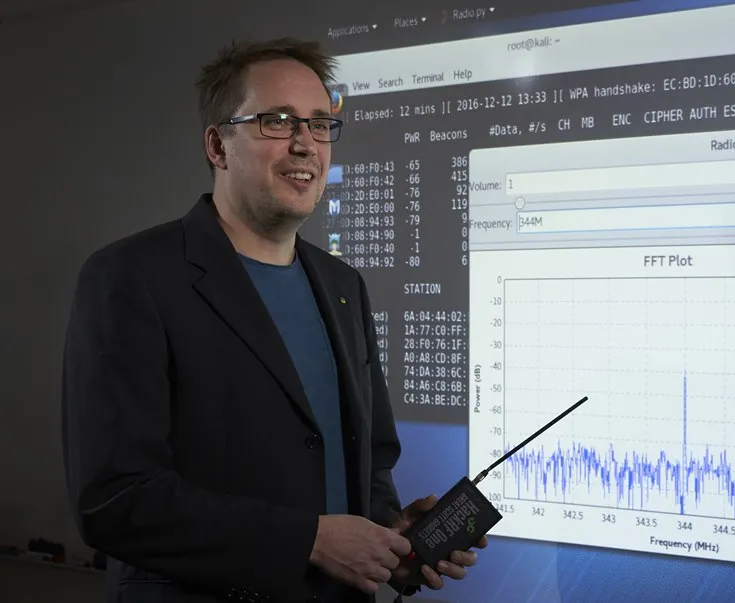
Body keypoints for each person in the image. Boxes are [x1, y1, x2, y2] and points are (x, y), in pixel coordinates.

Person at [60, 37, 485, 603]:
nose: (306, 143)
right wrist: (307, 540)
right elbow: (114, 501)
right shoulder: (131, 276)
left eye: (318, 124)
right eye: (278, 121)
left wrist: (389, 539)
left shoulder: (342, 287)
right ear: (218, 145)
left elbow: (370, 459)